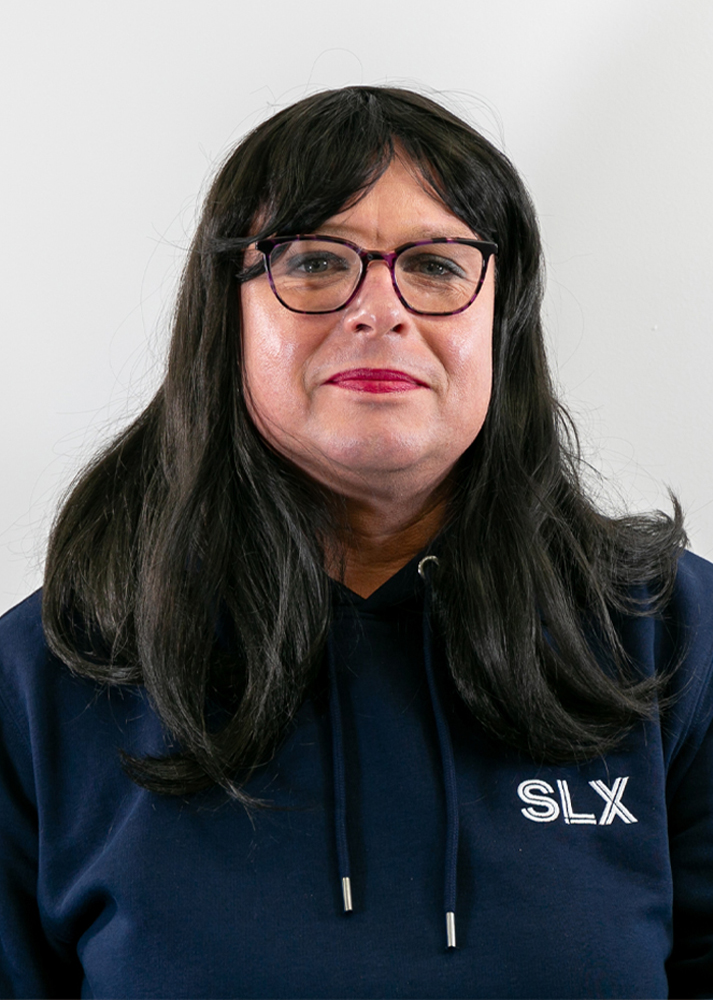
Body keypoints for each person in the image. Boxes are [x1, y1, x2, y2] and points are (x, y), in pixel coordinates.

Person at [0, 85, 711, 1000]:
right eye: (314, 262)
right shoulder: (48, 677)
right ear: (229, 319)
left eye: (436, 265)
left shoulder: (672, 640)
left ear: (504, 318)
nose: (379, 309)